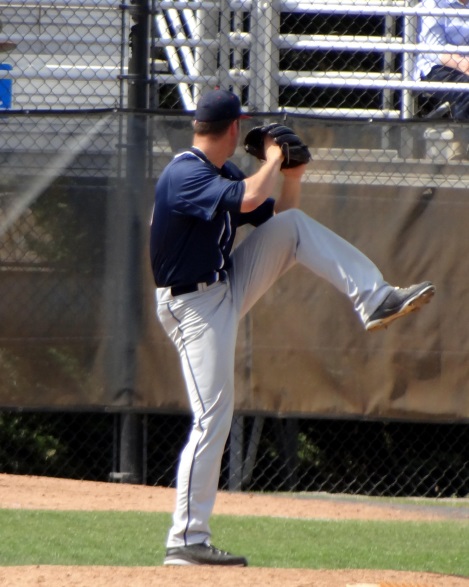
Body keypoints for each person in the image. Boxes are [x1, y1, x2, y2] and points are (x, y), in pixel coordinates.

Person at [149, 89, 435, 567]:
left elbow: (277, 220)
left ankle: (375, 298)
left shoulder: (222, 172)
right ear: (235, 128)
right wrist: (275, 159)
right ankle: (185, 539)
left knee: (296, 227)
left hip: (222, 285)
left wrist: (293, 176)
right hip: (192, 305)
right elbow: (251, 196)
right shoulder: (185, 172)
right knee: (212, 417)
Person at [415, 0, 469, 119]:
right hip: (437, 67)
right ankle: (462, 135)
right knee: (466, 89)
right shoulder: (434, 2)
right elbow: (434, 50)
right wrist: (463, 64)